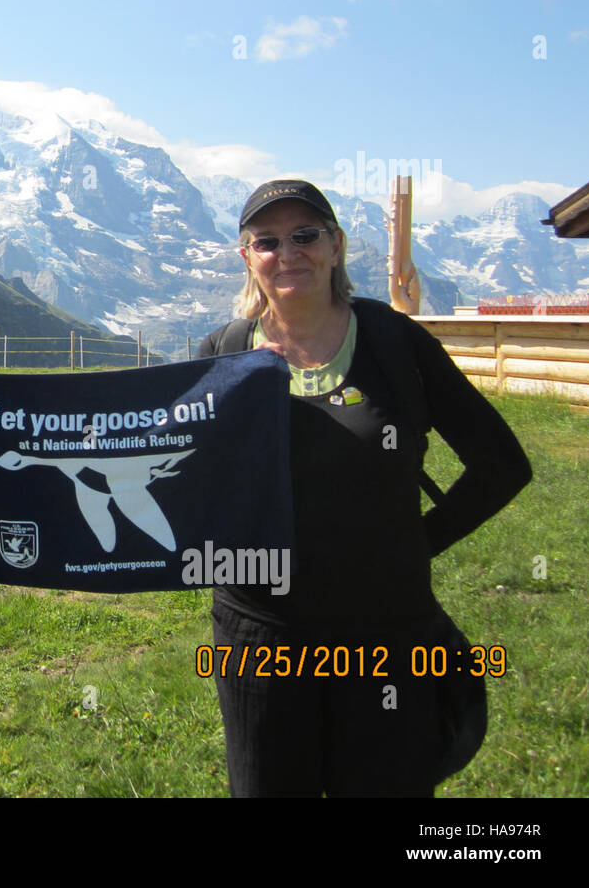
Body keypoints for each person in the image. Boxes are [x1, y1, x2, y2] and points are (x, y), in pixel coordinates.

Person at [196, 179, 531, 797]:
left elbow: (502, 465)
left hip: (387, 630)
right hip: (259, 634)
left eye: (305, 235)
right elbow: (196, 485)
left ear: (335, 246)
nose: (287, 253)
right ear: (247, 257)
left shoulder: (393, 341)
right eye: (267, 241)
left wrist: (416, 545)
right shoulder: (223, 353)